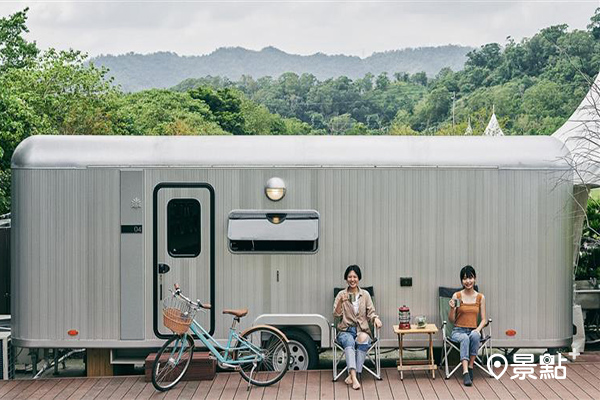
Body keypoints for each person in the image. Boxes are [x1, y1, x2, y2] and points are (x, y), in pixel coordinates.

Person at [333, 265, 382, 390]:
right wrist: (340, 302)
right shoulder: (341, 294)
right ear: (346, 278)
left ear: (358, 278)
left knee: (364, 339)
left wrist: (375, 318)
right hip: (346, 330)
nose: (352, 279)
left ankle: (351, 375)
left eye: (355, 276)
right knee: (349, 341)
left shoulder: (365, 295)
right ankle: (355, 377)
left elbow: (371, 312)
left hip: (362, 330)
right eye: (349, 277)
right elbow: (336, 314)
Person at [448, 265, 487, 386]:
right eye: (464, 279)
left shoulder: (480, 297)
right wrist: (452, 309)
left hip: (473, 330)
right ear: (461, 281)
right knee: (465, 338)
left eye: (470, 278)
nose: (468, 281)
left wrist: (478, 330)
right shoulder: (457, 296)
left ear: (475, 278)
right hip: (458, 331)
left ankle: (470, 367)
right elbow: (451, 320)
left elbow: (484, 320)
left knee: (475, 336)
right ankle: (465, 372)